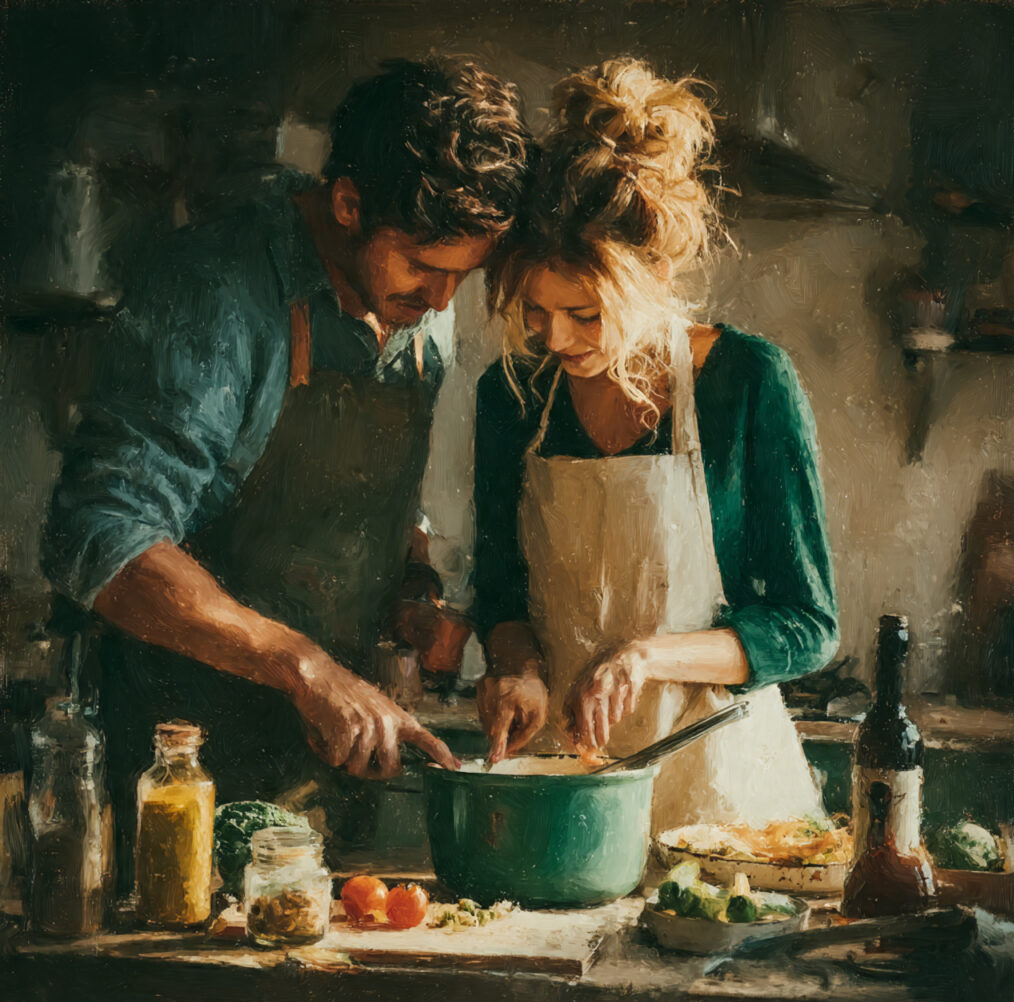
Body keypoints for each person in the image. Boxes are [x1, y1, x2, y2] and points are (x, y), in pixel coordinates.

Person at [42, 57, 531, 875]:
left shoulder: (416, 315)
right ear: (348, 205)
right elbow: (100, 535)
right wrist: (303, 665)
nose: (444, 303)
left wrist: (413, 589)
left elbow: (375, 503)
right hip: (180, 768)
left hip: (331, 767)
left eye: (462, 277)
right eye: (423, 267)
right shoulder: (218, 289)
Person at [472, 58, 839, 831]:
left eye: (586, 313)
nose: (557, 339)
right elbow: (503, 592)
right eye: (535, 314)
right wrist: (516, 668)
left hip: (724, 793)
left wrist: (643, 657)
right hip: (568, 782)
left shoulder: (747, 381)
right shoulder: (513, 397)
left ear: (656, 273)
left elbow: (808, 625)